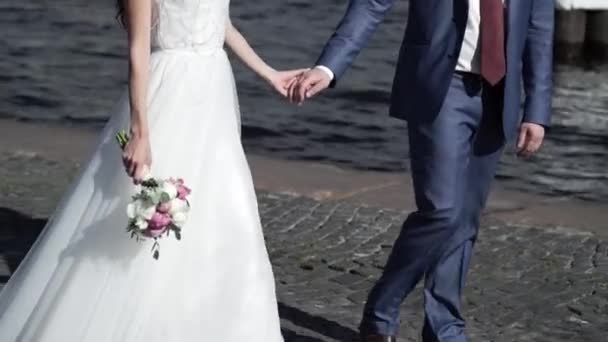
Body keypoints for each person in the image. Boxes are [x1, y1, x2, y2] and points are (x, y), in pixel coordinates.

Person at [0, 0, 303, 340]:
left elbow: (222, 23)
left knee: (227, 206)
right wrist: (140, 132)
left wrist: (269, 73)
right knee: (150, 212)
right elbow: (138, 52)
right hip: (169, 93)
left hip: (213, 93)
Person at [290, 1, 554, 341]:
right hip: (441, 86)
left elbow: (539, 28)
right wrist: (328, 68)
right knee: (441, 211)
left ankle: (444, 329)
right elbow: (372, 4)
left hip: (498, 94)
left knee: (465, 220)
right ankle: (381, 310)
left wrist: (537, 109)